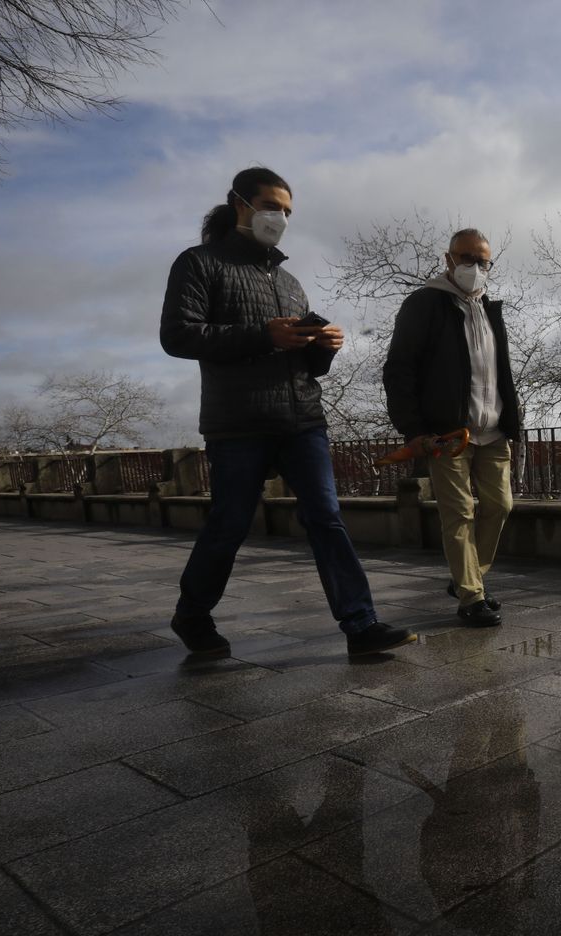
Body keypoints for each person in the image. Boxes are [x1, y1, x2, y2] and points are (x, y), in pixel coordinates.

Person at [160, 166, 415, 658]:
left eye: (288, 211)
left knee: (327, 517)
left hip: (302, 419)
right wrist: (263, 334)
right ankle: (192, 613)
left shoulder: (291, 281)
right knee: (230, 523)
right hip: (237, 422)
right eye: (272, 206)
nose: (280, 217)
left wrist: (325, 346)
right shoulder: (199, 263)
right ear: (241, 203)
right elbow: (177, 336)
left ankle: (361, 626)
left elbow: (305, 365)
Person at [382, 227, 522, 627]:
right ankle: (471, 597)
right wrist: (413, 430)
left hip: (493, 431)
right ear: (449, 260)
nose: (475, 267)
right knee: (458, 515)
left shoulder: (490, 309)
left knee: (500, 506)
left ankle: (469, 576)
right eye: (466, 259)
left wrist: (512, 419)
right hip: (448, 434)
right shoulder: (425, 304)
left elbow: (498, 374)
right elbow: (399, 370)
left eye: (482, 261)